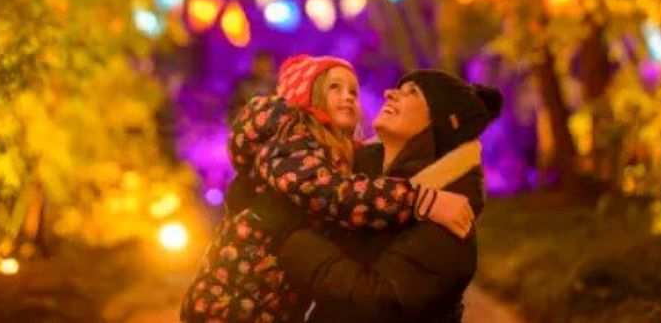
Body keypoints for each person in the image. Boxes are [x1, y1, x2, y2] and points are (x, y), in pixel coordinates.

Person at [180, 57, 476, 323]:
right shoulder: (291, 136)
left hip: (266, 306)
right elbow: (334, 194)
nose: (348, 97)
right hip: (230, 304)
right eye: (335, 87)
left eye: (353, 92)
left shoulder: (337, 155)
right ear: (308, 96)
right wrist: (419, 199)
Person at [258, 69, 503, 323]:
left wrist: (292, 241)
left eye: (412, 92)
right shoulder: (354, 179)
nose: (390, 93)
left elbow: (377, 303)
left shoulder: (450, 221)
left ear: (440, 123)